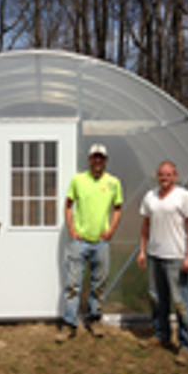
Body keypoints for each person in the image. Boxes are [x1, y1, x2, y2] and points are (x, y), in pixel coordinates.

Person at [56, 143, 123, 343]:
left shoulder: (113, 183)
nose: (97, 161)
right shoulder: (78, 180)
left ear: (106, 160)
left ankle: (94, 320)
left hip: (101, 244)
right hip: (79, 242)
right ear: (89, 159)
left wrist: (111, 230)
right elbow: (68, 205)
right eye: (94, 157)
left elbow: (118, 208)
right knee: (73, 285)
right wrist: (71, 229)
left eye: (101, 157)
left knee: (98, 285)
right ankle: (69, 324)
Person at [137, 160, 188, 365]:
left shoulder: (184, 196)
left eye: (168, 174)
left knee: (181, 302)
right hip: (155, 256)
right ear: (157, 176)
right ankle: (161, 335)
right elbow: (145, 225)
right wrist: (142, 251)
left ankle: (187, 345)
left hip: (176, 258)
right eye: (161, 174)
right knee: (157, 298)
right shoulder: (150, 196)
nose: (164, 177)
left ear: (175, 175)